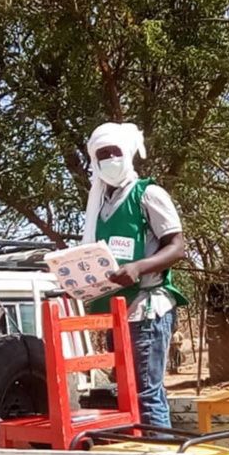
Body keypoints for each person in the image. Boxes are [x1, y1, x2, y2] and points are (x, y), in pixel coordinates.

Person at [83, 122, 187, 428]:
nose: (109, 160)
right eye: (102, 155)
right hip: (117, 313)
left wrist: (138, 267)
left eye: (114, 152)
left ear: (127, 154)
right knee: (128, 394)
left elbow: (177, 246)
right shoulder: (99, 206)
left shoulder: (148, 195)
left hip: (147, 309)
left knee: (146, 394)